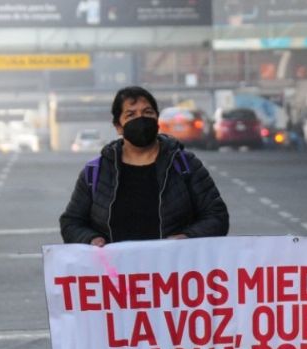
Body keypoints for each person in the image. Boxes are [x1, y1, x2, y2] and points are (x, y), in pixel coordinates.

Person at [60, 86, 229, 245]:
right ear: (118, 126)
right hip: (114, 272)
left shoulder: (185, 165)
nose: (141, 119)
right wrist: (91, 239)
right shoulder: (95, 172)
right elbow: (71, 222)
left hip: (173, 271)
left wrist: (187, 237)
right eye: (131, 115)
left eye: (147, 112)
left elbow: (216, 216)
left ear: (157, 119)